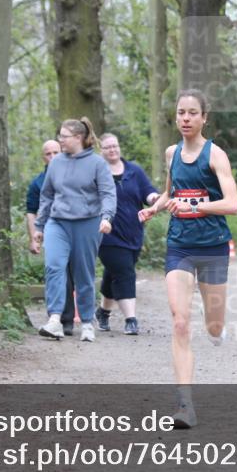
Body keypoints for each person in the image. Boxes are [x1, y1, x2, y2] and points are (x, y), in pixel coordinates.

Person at [139, 89, 237, 428]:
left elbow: (232, 204)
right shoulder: (172, 153)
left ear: (204, 117)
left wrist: (195, 206)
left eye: (192, 113)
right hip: (179, 245)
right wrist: (155, 207)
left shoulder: (216, 156)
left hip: (212, 247)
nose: (185, 118)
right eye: (181, 112)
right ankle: (185, 405)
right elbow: (172, 192)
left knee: (213, 325)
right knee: (180, 321)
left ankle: (217, 331)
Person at [33, 118, 116, 343]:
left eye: (64, 136)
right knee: (54, 267)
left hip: (87, 223)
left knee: (83, 273)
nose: (60, 140)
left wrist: (107, 217)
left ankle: (87, 321)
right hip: (57, 222)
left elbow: (108, 193)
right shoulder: (56, 163)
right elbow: (47, 195)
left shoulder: (97, 163)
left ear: (78, 138)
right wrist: (39, 226)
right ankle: (55, 320)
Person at [95, 133, 159, 336]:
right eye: (107, 147)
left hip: (133, 233)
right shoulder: (97, 173)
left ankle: (103, 312)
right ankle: (131, 319)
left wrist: (154, 198)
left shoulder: (134, 170)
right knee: (125, 273)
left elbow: (147, 192)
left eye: (115, 145)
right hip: (107, 234)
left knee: (113, 273)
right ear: (101, 150)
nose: (112, 150)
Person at [26, 139, 77, 335]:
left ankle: (71, 317)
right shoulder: (37, 183)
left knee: (72, 274)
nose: (53, 157)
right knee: (56, 272)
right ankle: (59, 319)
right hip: (50, 232)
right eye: (49, 153)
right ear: (43, 157)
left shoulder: (73, 176)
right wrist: (33, 237)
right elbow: (31, 212)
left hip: (74, 231)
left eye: (56, 152)